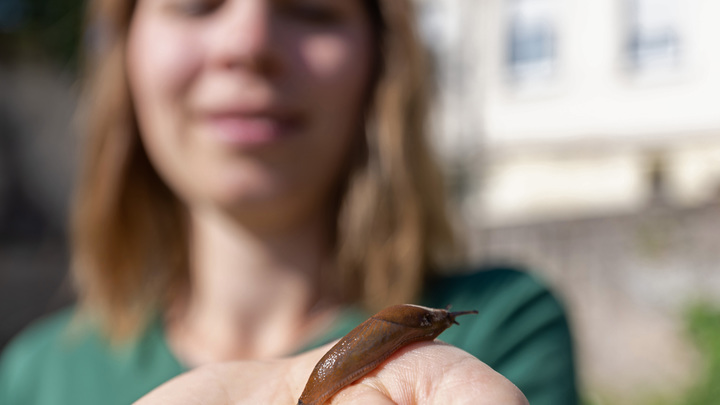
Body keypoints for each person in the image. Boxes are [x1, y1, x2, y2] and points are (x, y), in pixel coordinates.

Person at [0, 0, 578, 404]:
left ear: (383, 59)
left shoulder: (505, 326)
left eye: (311, 8)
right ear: (123, 51)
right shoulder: (32, 380)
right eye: (197, 3)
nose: (249, 44)